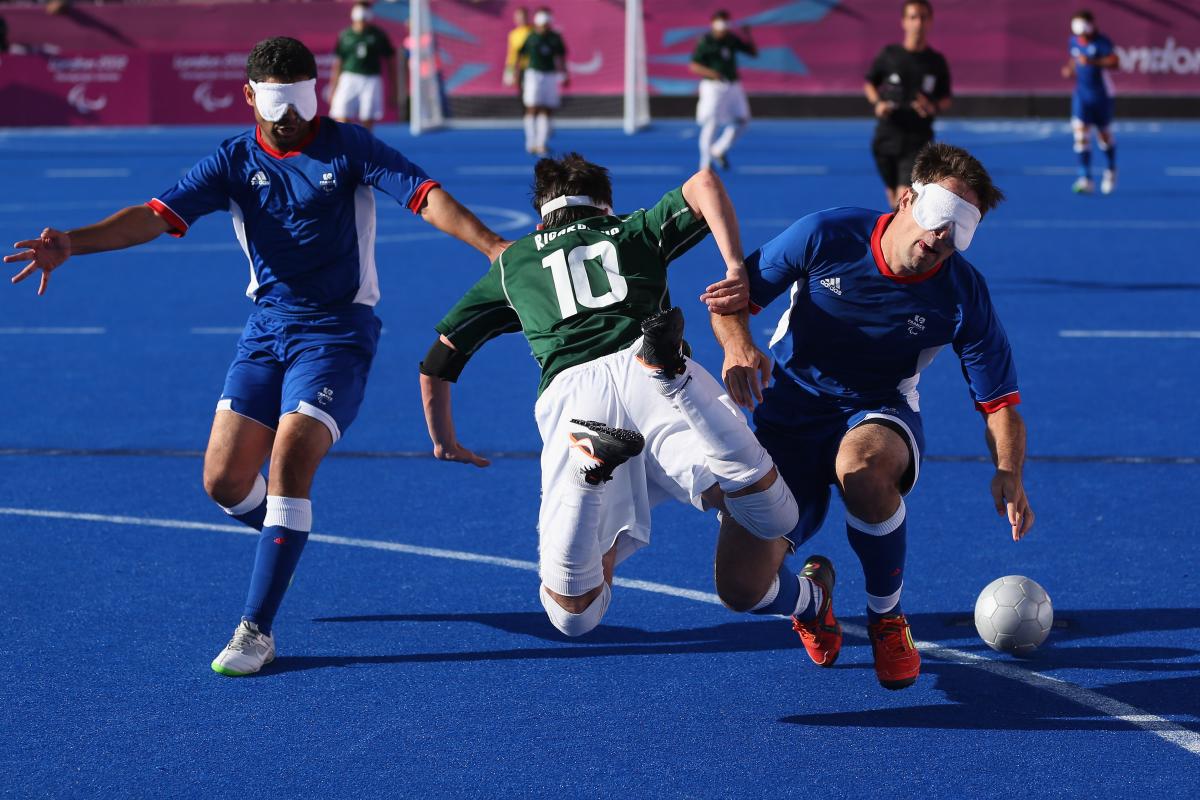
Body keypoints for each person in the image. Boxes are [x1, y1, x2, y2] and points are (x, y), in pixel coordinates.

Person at [5, 37, 508, 677]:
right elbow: (154, 217)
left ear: (316, 92)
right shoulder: (232, 161)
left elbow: (425, 196)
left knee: (291, 458)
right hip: (266, 330)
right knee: (222, 483)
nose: (290, 116)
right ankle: (283, 526)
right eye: (276, 104)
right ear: (249, 97)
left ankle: (256, 628)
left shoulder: (349, 146)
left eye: (300, 100)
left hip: (337, 333)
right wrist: (71, 243)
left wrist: (492, 245)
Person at [419, 154, 803, 637]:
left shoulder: (514, 261)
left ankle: (588, 473)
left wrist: (445, 440)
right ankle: (676, 378)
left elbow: (437, 363)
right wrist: (733, 267)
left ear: (541, 217)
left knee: (574, 614)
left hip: (575, 398)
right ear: (605, 206)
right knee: (771, 514)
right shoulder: (630, 229)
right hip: (649, 374)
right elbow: (704, 182)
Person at [703, 143, 1034, 691]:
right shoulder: (826, 234)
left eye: (962, 232)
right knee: (741, 588)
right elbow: (733, 299)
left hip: (878, 409)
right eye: (939, 220)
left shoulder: (961, 292)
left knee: (863, 468)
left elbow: (999, 399)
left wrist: (1009, 471)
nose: (943, 240)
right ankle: (813, 602)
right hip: (786, 410)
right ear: (907, 199)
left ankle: (886, 616)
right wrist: (738, 347)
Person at [863, 0, 952, 208]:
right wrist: (878, 103)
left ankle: (896, 238)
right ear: (904, 22)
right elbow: (870, 84)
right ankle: (893, 234)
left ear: (930, 21)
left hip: (917, 139)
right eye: (913, 17)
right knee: (894, 195)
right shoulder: (890, 55)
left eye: (923, 17)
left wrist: (933, 107)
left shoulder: (936, 61)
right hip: (886, 137)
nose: (918, 23)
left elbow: (946, 98)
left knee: (905, 197)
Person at [690, 10, 756, 171]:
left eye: (726, 23)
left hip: (732, 85)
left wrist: (748, 35)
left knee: (743, 120)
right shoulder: (706, 41)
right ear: (713, 24)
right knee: (711, 122)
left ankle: (718, 149)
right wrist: (713, 73)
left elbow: (752, 52)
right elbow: (694, 66)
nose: (723, 27)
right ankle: (705, 164)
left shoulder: (731, 39)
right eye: (720, 23)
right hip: (713, 86)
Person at [1061, 9, 1119, 195]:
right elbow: (1074, 58)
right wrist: (1070, 69)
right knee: (1080, 136)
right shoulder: (1073, 41)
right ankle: (1085, 178)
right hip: (1081, 96)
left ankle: (1110, 170)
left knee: (1104, 137)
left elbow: (1115, 62)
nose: (1082, 38)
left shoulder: (1102, 42)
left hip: (1101, 96)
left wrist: (1092, 62)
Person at [329, 1, 401, 131]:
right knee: (342, 113)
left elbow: (390, 59)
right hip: (349, 77)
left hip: (371, 79)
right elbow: (339, 62)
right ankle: (346, 144)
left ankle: (366, 147)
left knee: (368, 116)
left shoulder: (378, 35)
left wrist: (394, 89)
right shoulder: (345, 35)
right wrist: (333, 87)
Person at [518, 7, 567, 156]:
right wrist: (514, 73)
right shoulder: (531, 36)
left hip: (550, 75)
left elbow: (560, 56)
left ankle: (541, 143)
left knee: (547, 109)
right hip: (534, 74)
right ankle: (530, 142)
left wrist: (564, 74)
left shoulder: (555, 37)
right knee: (532, 107)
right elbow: (521, 54)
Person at [503, 7, 531, 95]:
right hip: (519, 67)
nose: (520, 19)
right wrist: (509, 70)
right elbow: (511, 54)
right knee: (522, 92)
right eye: (518, 17)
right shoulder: (513, 34)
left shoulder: (533, 31)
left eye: (522, 17)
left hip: (531, 68)